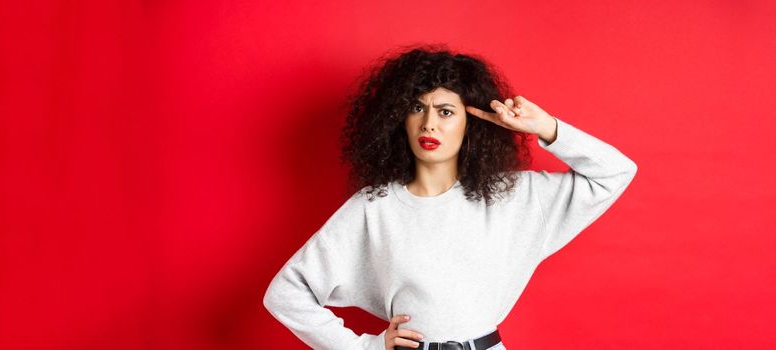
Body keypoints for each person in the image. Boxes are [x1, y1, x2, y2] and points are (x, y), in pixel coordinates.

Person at [263, 44, 638, 350]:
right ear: (399, 119)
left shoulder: (514, 197)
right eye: (417, 108)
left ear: (469, 122)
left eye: (445, 111)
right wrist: (364, 348)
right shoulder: (373, 206)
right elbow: (285, 294)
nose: (429, 124)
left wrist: (545, 127)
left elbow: (615, 172)